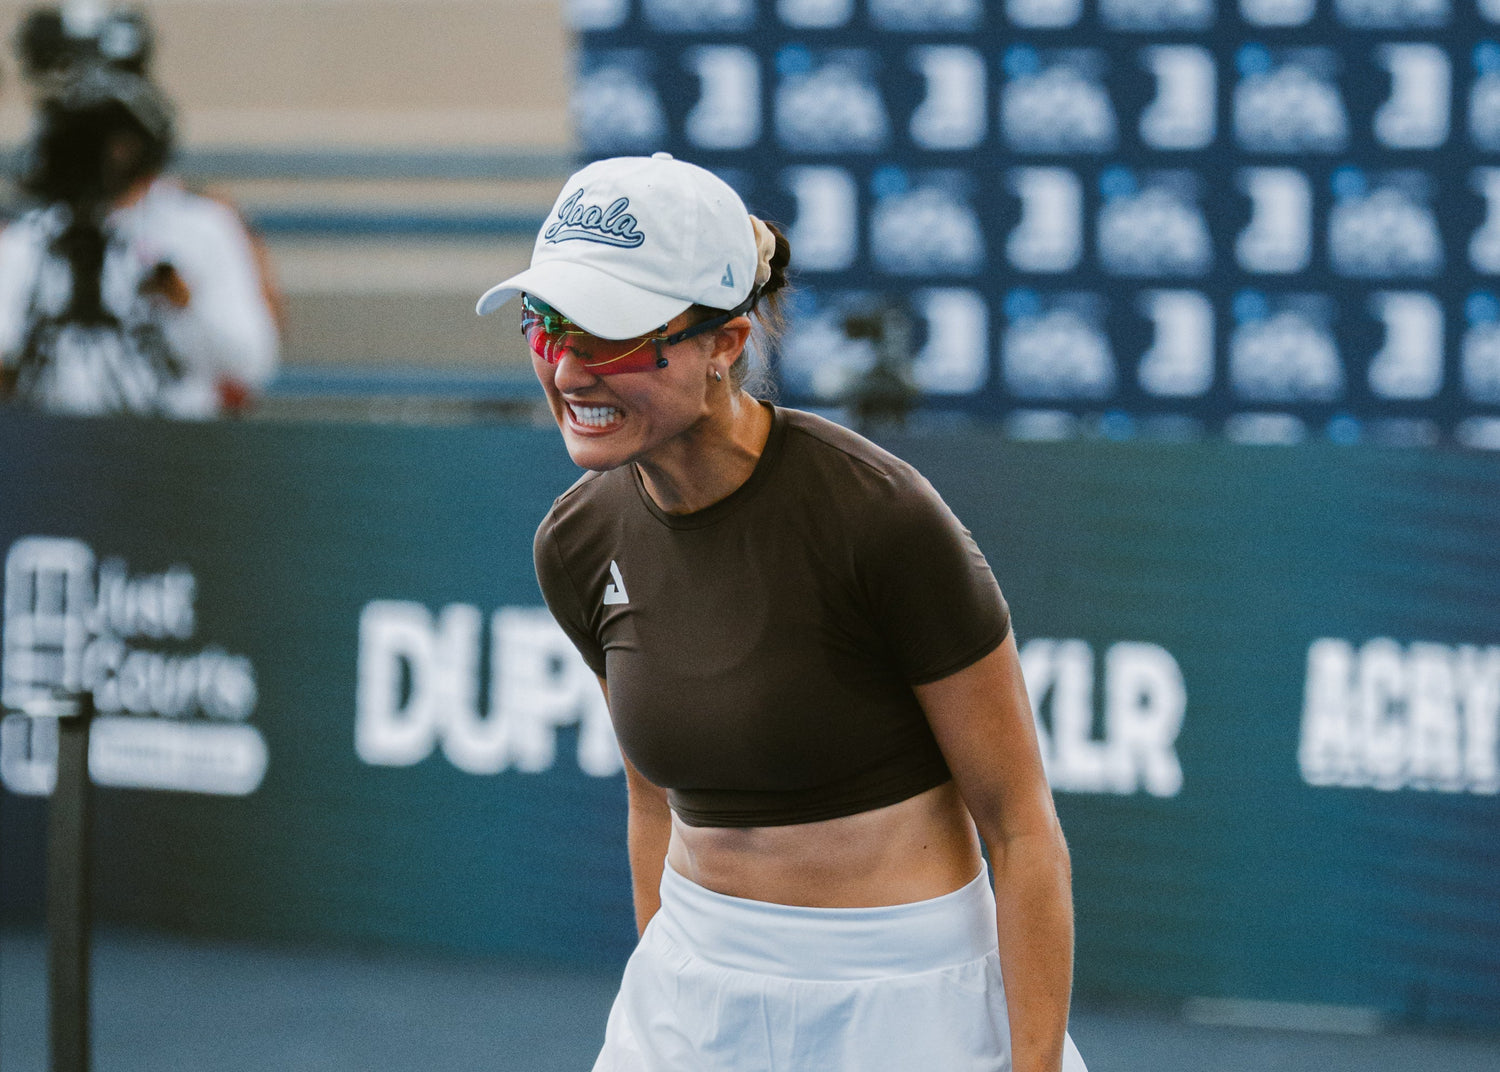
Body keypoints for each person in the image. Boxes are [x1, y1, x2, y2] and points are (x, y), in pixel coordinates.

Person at [476, 152, 1088, 1072]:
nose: (566, 371)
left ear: (725, 343)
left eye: (607, 335)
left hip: (908, 1005)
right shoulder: (574, 543)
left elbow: (1021, 824)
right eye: (546, 325)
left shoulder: (882, 518)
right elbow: (655, 801)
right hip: (689, 996)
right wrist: (668, 991)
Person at [0, 4, 280, 417]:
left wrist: (183, 300)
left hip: (170, 453)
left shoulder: (200, 224)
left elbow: (251, 363)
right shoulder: (28, 238)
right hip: (46, 457)